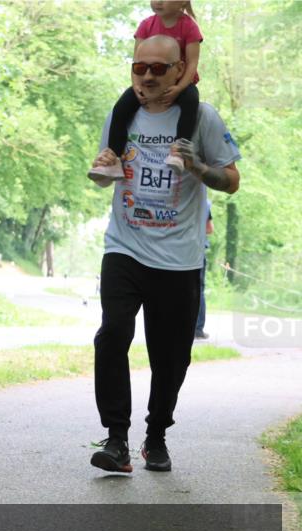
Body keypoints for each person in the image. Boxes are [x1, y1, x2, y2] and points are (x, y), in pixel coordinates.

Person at [88, 35, 240, 474]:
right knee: (113, 334)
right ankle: (116, 439)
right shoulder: (122, 115)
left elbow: (231, 180)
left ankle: (156, 437)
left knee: (171, 356)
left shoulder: (202, 117)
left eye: (159, 68)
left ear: (180, 71)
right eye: (141, 68)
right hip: (125, 246)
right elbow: (105, 177)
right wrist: (101, 169)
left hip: (179, 258)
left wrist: (197, 167)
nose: (149, 77)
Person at [88, 1, 203, 184]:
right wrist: (136, 86)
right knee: (121, 109)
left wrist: (179, 88)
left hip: (181, 82)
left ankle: (179, 151)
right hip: (147, 83)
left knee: (191, 101)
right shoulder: (146, 25)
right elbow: (137, 60)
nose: (157, 1)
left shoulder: (189, 27)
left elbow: (192, 63)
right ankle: (113, 158)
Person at [195, 204, 213, 339]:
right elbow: (209, 228)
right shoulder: (205, 203)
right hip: (198, 250)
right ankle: (198, 329)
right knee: (198, 290)